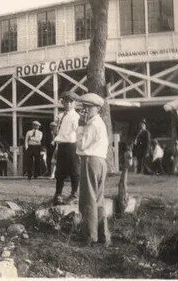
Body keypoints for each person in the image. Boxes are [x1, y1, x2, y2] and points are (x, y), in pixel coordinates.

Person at [76, 92, 110, 247]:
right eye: (84, 107)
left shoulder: (91, 124)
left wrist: (80, 128)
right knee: (99, 199)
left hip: (91, 160)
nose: (84, 110)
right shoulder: (100, 123)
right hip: (101, 161)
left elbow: (81, 145)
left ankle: (90, 236)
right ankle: (103, 235)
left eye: (88, 107)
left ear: (96, 108)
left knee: (88, 199)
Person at [52, 91, 81, 205]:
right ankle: (58, 194)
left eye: (71, 102)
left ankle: (74, 194)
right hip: (62, 145)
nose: (68, 104)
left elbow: (79, 133)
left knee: (74, 170)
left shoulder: (76, 116)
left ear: (74, 103)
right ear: (63, 102)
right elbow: (57, 130)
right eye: (66, 101)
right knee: (59, 171)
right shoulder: (60, 115)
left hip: (71, 145)